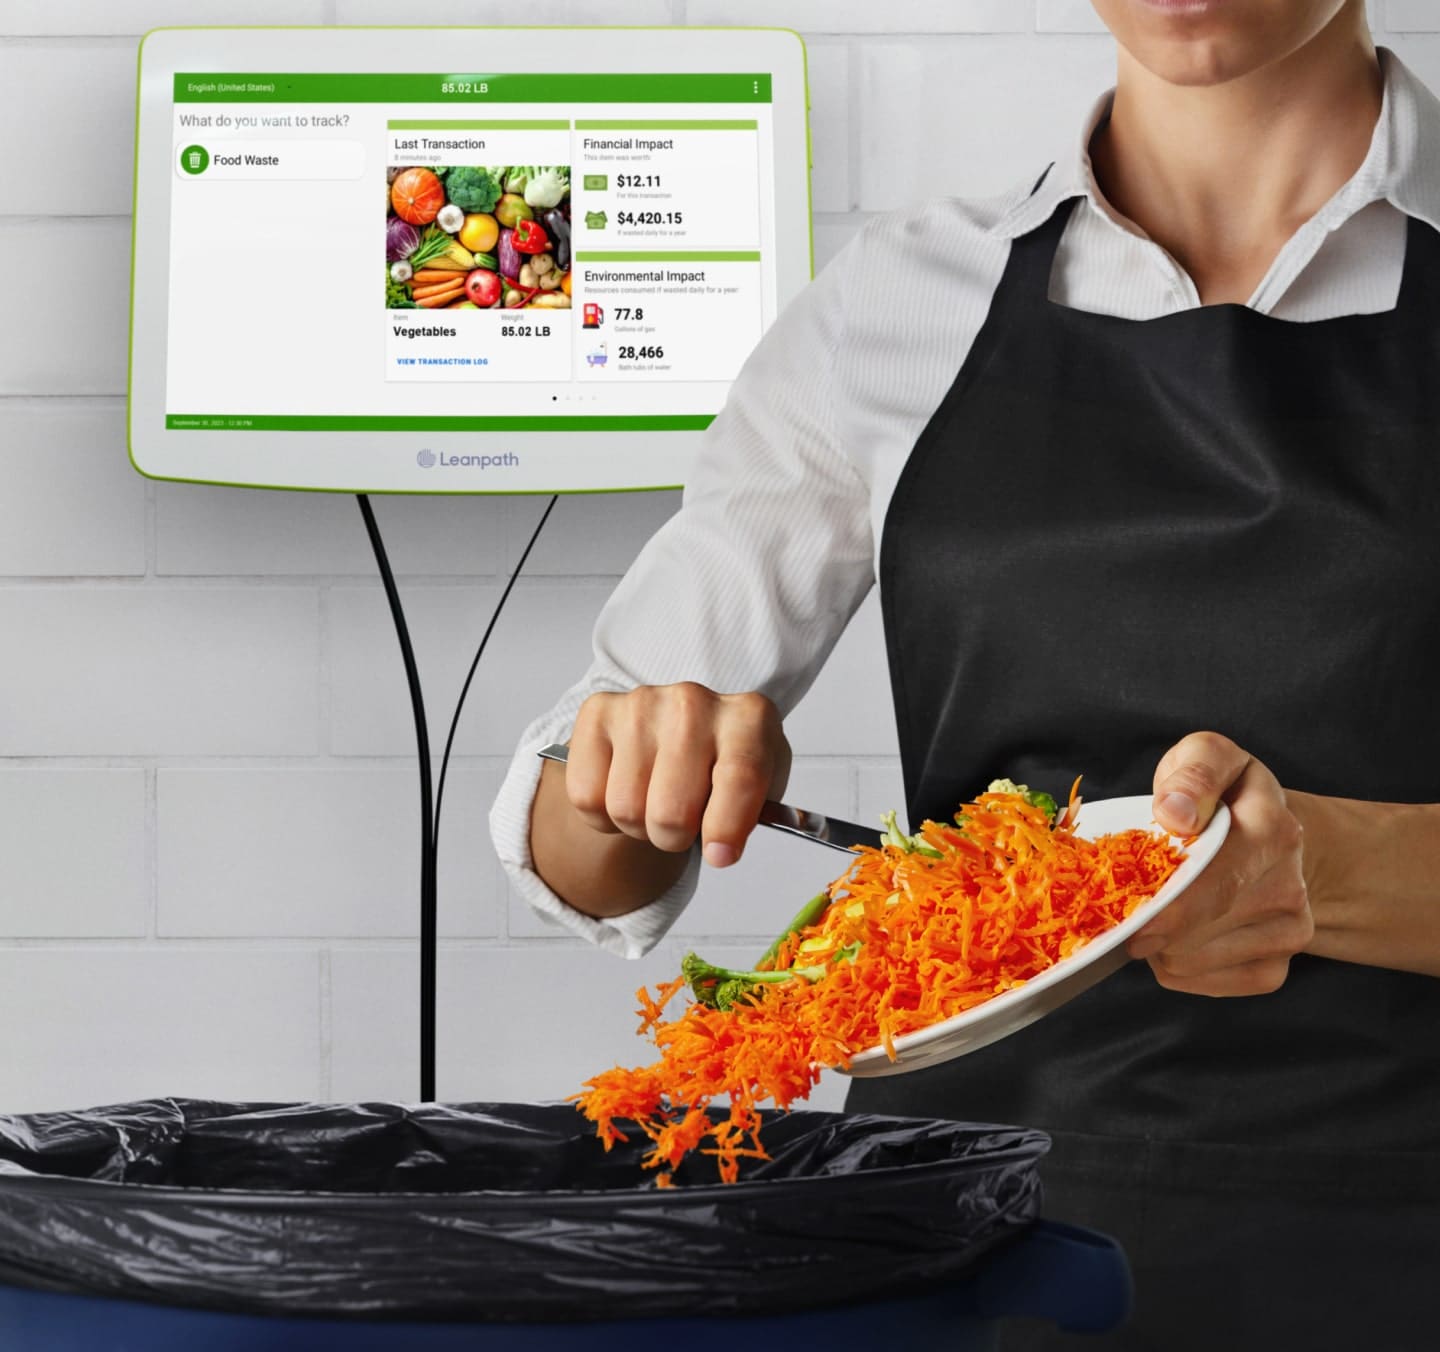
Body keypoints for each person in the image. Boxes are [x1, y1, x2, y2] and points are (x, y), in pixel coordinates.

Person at [492, 1, 1440, 1345]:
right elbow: (572, 845)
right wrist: (620, 775)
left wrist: (1318, 874)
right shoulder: (898, 304)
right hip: (969, 1254)